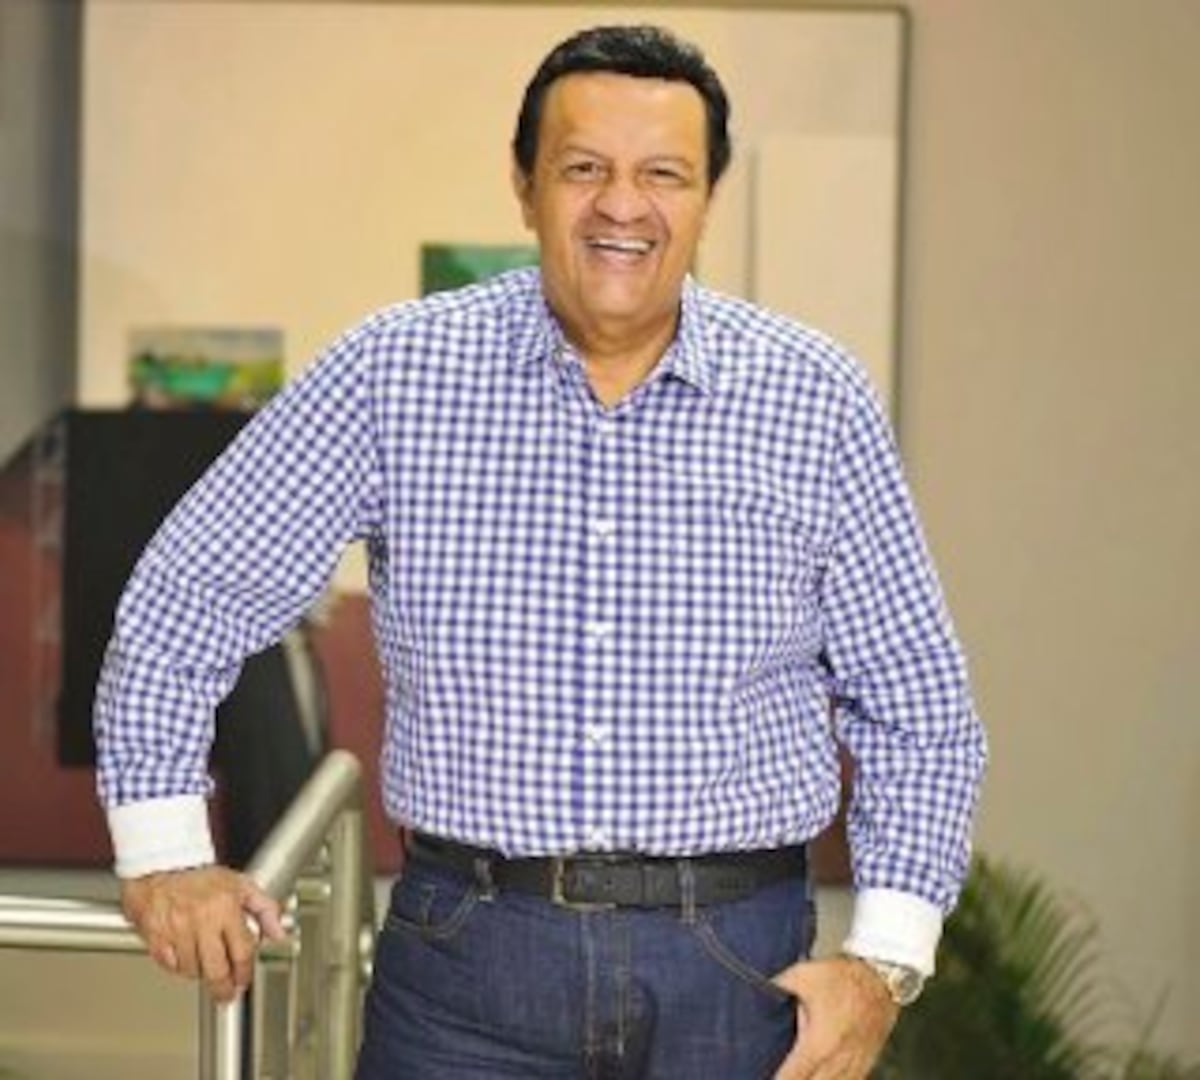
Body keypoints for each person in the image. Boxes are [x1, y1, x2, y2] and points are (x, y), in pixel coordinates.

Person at [95, 24, 986, 1079]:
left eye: (664, 174)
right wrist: (164, 852)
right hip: (465, 965)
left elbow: (919, 703)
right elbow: (191, 593)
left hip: (735, 972)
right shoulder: (395, 372)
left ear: (708, 196)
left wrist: (884, 962)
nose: (622, 205)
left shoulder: (815, 397)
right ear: (525, 186)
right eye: (583, 169)